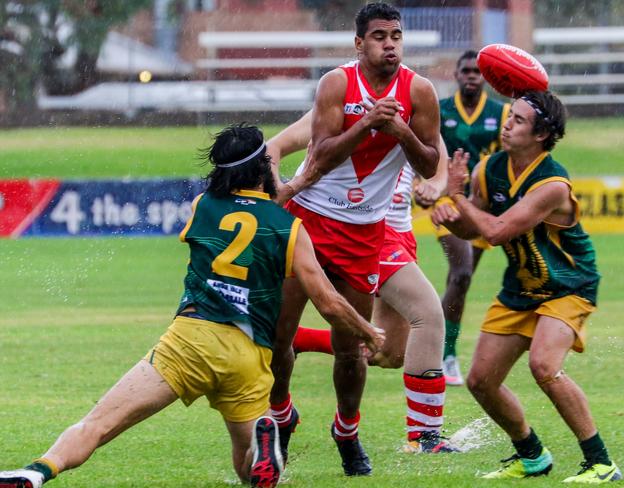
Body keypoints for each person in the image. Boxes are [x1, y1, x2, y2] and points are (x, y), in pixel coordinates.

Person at [0, 124, 384, 488]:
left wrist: (278, 190)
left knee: (97, 425)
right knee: (245, 465)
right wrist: (369, 333)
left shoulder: (203, 204)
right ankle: (262, 447)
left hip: (189, 341)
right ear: (263, 168)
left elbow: (239, 213)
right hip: (248, 357)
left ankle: (37, 472)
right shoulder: (289, 229)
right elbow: (330, 303)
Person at [268, 2, 441, 476]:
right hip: (309, 221)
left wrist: (399, 127)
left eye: (396, 36)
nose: (390, 44)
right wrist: (366, 122)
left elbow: (429, 163)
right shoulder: (337, 84)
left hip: (365, 231)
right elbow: (319, 155)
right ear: (359, 43)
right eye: (380, 36)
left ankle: (346, 429)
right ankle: (282, 413)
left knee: (352, 350)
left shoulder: (420, 92)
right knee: (278, 335)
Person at [432, 91, 622, 483]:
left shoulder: (553, 183)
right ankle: (532, 455)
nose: (507, 124)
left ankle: (601, 463)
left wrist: (454, 195)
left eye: (517, 120)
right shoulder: (489, 169)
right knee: (480, 380)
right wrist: (447, 213)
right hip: (520, 287)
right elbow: (474, 227)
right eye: (509, 116)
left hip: (568, 284)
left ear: (541, 134)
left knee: (544, 366)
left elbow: (498, 232)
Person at [267, 110, 457, 454]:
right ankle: (425, 439)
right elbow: (274, 146)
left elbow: (438, 166)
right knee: (428, 315)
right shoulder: (338, 105)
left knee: (390, 353)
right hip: (361, 228)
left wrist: (436, 187)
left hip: (398, 231)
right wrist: (277, 190)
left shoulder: (415, 108)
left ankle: (297, 339)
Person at [434, 50, 510, 386]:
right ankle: (445, 353)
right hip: (445, 203)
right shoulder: (440, 110)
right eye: (466, 71)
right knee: (462, 271)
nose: (471, 76)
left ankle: (435, 343)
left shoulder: (501, 112)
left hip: (481, 206)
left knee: (461, 281)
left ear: (485, 78)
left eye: (477, 72)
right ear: (456, 74)